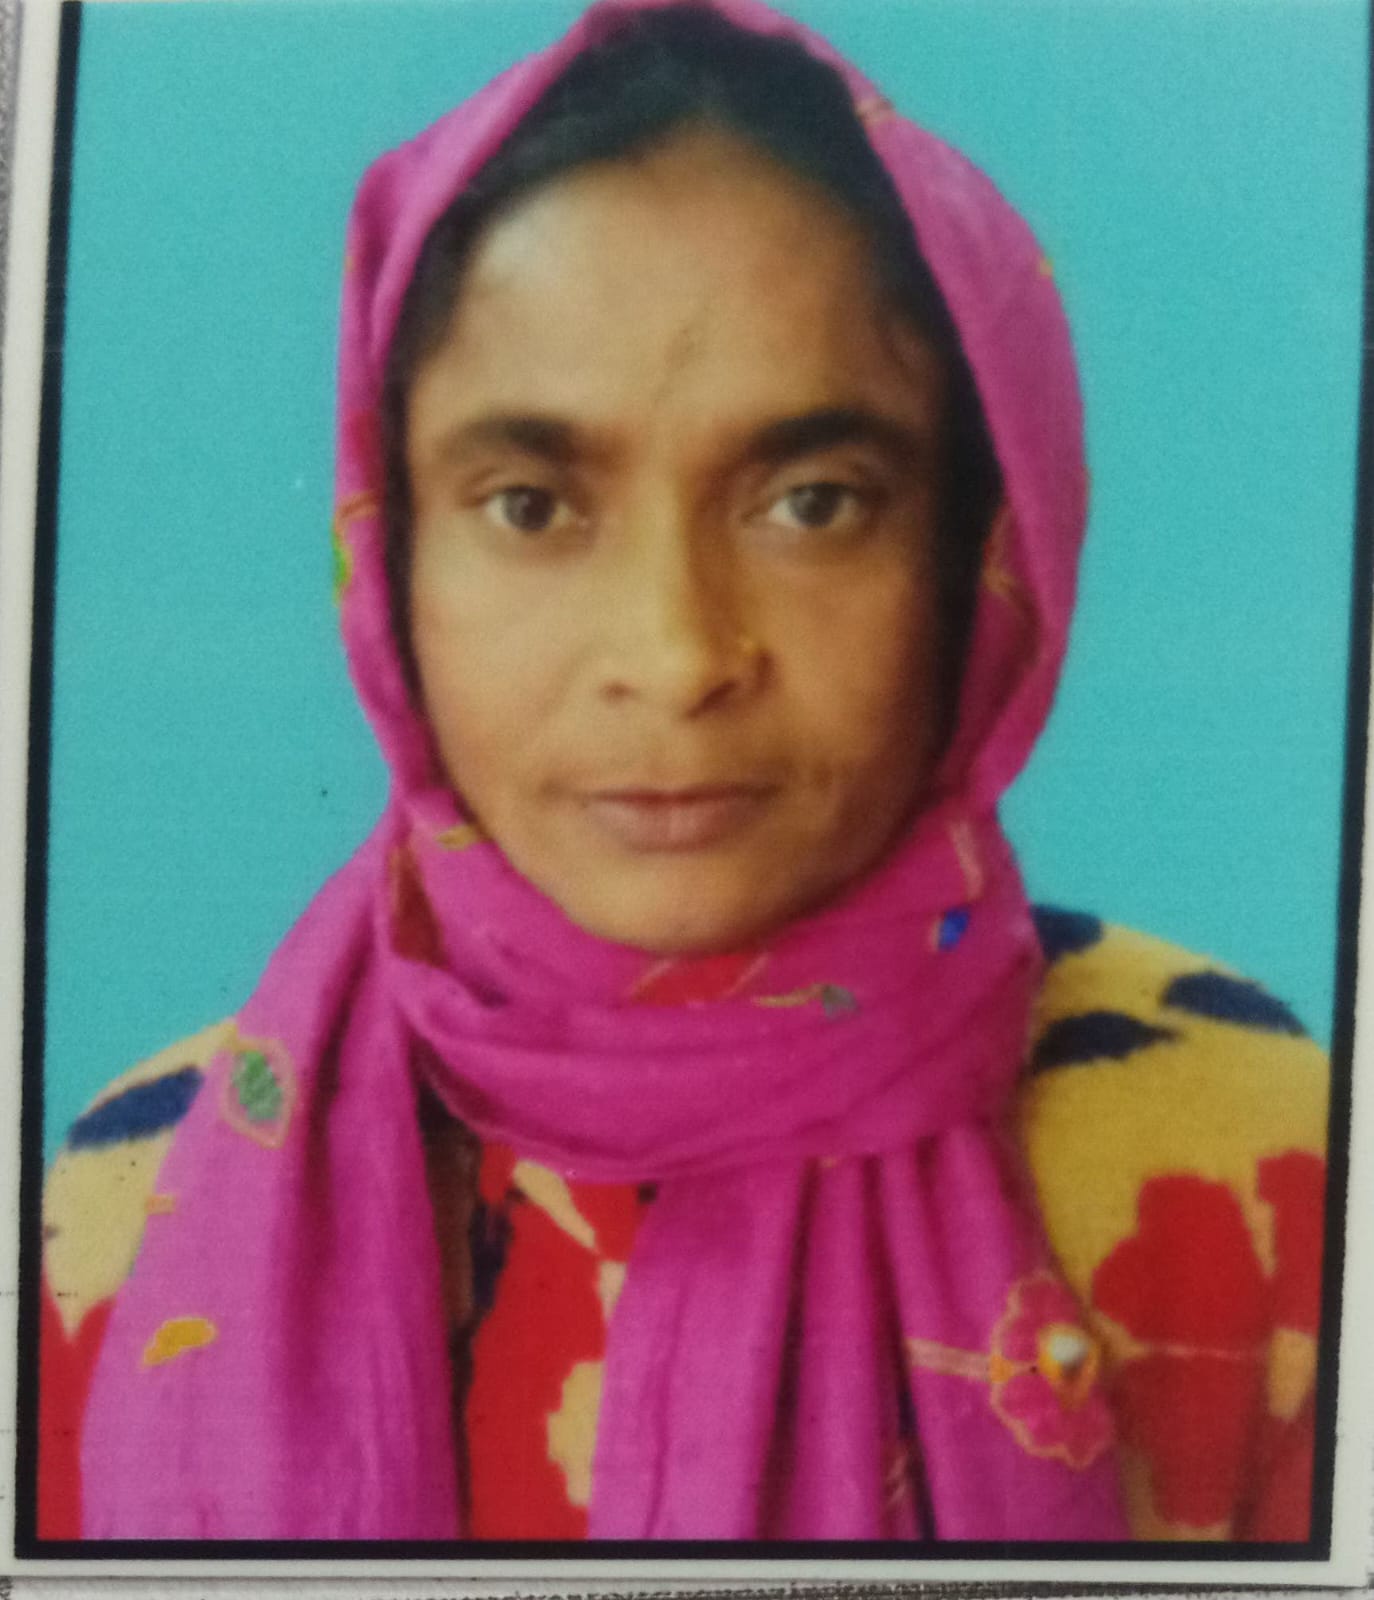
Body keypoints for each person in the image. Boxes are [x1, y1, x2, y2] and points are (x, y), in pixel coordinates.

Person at [38, 0, 1329, 1543]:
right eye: (529, 505)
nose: (675, 654)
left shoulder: (1263, 1167)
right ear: (388, 556)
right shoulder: (124, 1211)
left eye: (812, 501)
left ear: (977, 552)